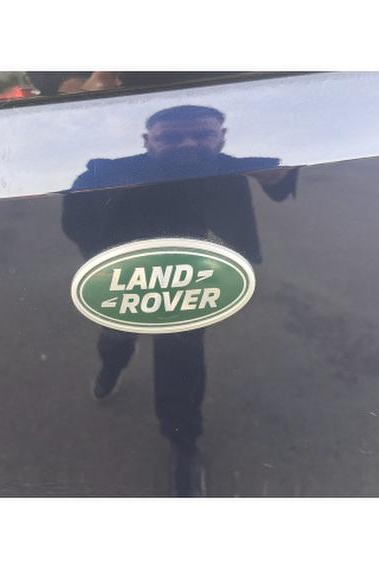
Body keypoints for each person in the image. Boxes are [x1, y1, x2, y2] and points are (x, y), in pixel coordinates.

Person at [62, 105, 298, 496]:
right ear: (148, 141)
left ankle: (183, 443)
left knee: (182, 357)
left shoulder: (228, 166)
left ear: (222, 137)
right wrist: (100, 227)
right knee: (116, 335)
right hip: (127, 274)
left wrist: (278, 174)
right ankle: (111, 366)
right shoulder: (114, 171)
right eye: (171, 137)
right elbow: (76, 214)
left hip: (191, 272)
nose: (188, 143)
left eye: (202, 134)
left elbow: (279, 182)